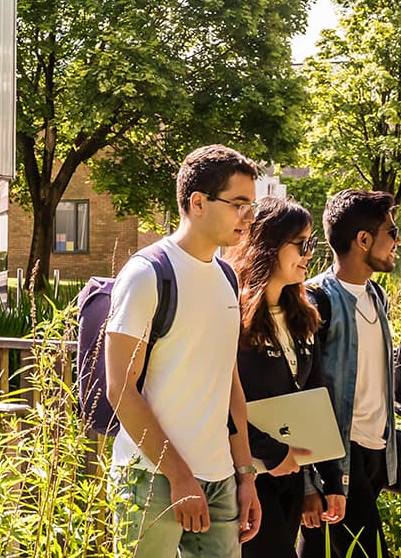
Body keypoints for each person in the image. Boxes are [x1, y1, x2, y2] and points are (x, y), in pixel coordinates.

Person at [104, 144, 263, 557]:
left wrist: (245, 474)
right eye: (239, 204)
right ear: (197, 203)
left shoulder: (228, 277)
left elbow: (230, 383)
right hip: (151, 477)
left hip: (220, 478)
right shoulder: (148, 273)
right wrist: (178, 475)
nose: (248, 217)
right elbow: (119, 388)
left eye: (251, 205)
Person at [301, 190, 401, 557]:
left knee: (320, 549)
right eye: (392, 232)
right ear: (363, 240)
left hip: (377, 449)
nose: (397, 241)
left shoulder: (376, 295)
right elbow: (302, 395)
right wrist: (310, 482)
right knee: (370, 550)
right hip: (342, 455)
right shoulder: (316, 301)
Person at [227, 197, 326, 557]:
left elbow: (310, 394)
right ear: (268, 243)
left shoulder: (303, 315)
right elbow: (225, 400)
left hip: (291, 476)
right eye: (302, 244)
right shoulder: (231, 313)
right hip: (245, 478)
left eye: (312, 243)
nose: (309, 254)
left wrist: (311, 482)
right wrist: (273, 452)